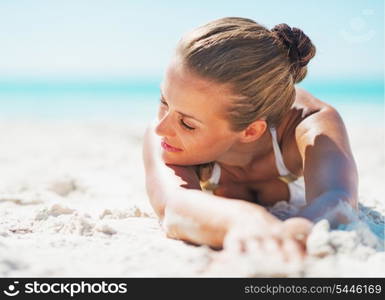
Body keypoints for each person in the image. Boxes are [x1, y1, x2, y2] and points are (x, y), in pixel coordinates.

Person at [142, 17, 358, 261]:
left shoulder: (308, 125)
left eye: (188, 124)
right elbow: (173, 206)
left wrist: (298, 229)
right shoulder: (169, 139)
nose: (161, 127)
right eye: (164, 101)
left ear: (251, 131)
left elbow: (337, 198)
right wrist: (243, 219)